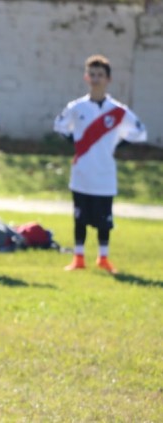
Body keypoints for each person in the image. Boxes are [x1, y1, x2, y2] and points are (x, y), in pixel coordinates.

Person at [54, 55, 146, 274]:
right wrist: (76, 143)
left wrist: (114, 145)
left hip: (105, 174)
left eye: (100, 75)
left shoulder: (118, 111)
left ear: (108, 79)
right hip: (81, 173)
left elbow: (140, 132)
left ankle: (103, 257)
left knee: (104, 219)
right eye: (92, 74)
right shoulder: (77, 107)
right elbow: (59, 125)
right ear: (86, 77)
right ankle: (78, 257)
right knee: (80, 217)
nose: (96, 79)